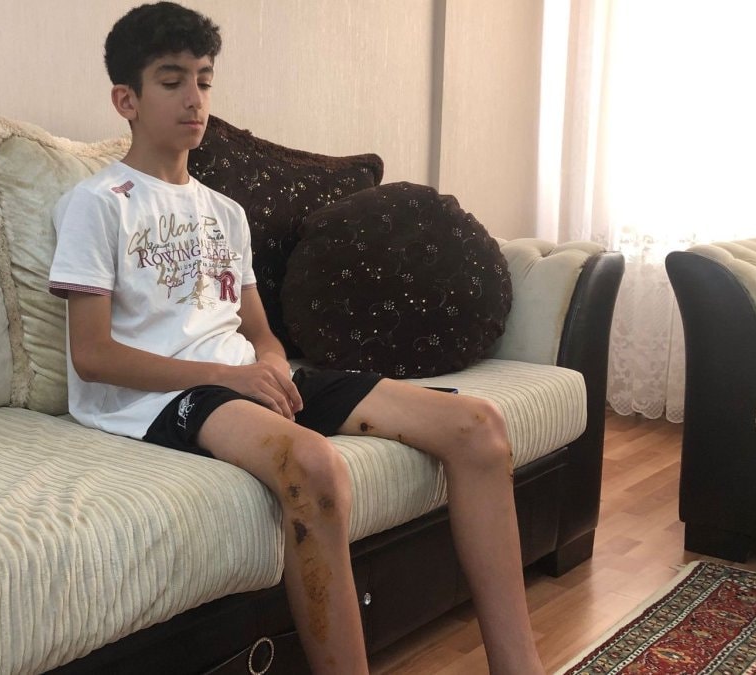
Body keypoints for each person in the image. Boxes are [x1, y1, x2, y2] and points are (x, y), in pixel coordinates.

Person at [48, 3, 543, 673]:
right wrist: (232, 378)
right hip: (158, 398)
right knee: (314, 465)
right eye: (172, 80)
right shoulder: (98, 203)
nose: (195, 98)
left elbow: (258, 332)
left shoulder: (225, 212)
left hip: (239, 379)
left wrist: (273, 365)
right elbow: (93, 355)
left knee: (478, 427)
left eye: (204, 80)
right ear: (125, 100)